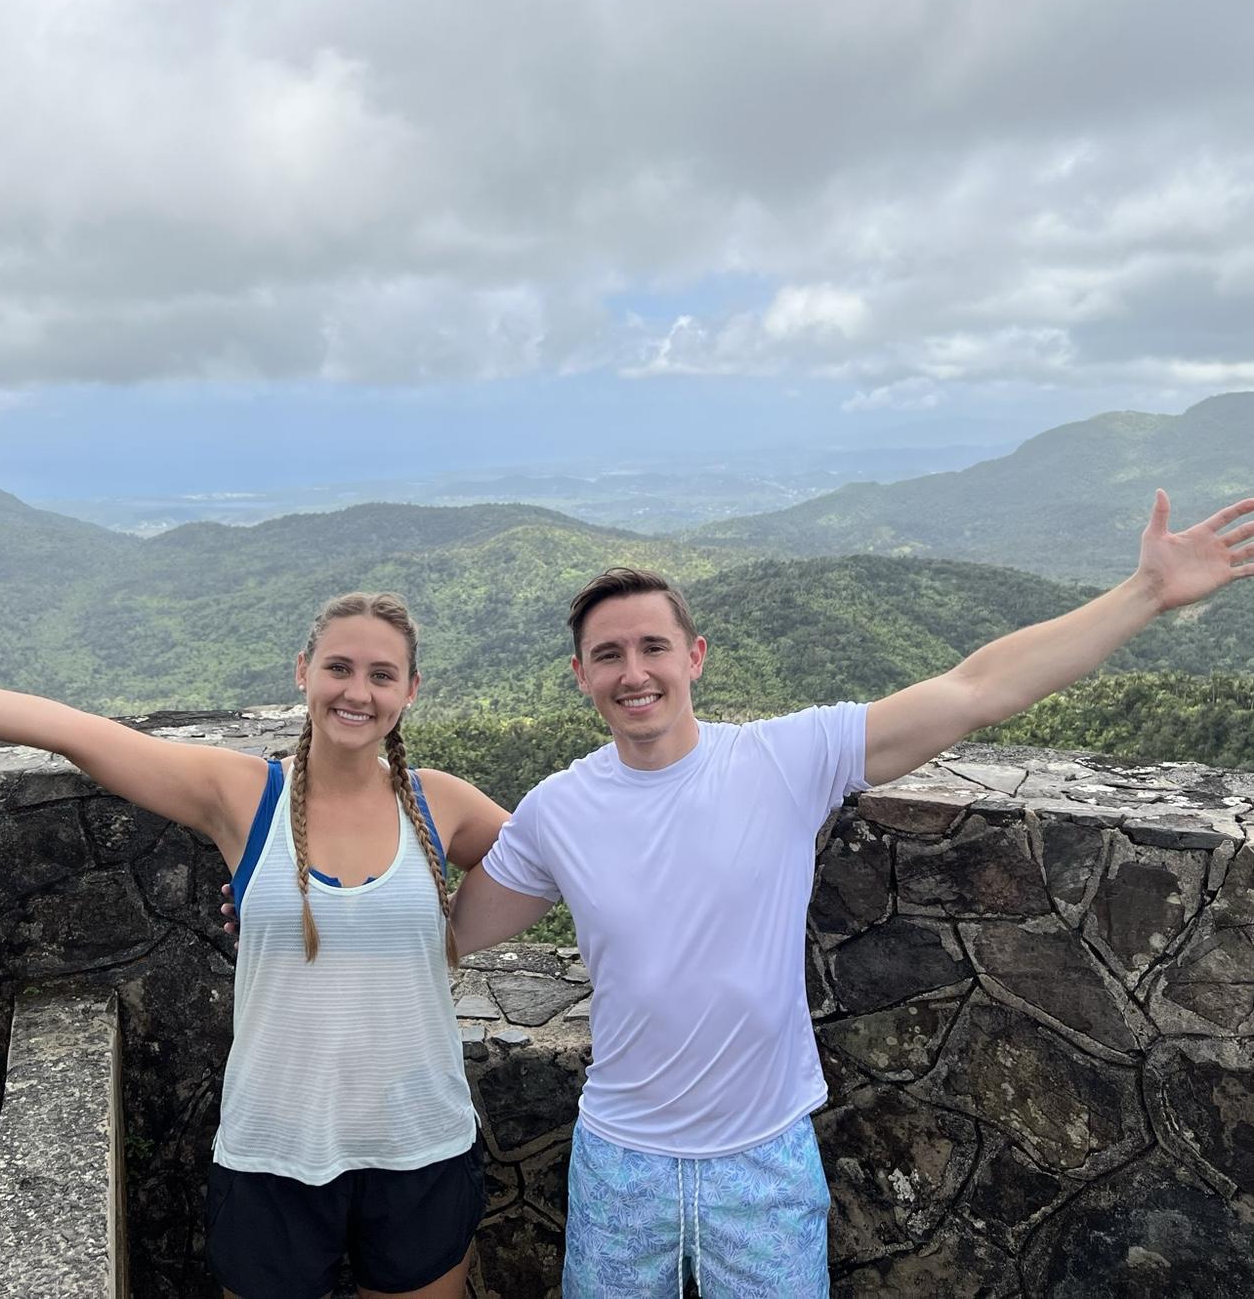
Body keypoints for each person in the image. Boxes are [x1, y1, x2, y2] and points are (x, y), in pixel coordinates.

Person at [445, 489, 1254, 1298]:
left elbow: (975, 689)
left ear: (694, 657)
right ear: (580, 674)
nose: (634, 672)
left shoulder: (782, 761)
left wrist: (1145, 593)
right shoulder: (558, 811)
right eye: (608, 655)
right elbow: (444, 935)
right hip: (621, 1163)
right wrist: (400, 795)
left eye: (653, 646)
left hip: (762, 1156)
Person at [0, 591, 509, 1299]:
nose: (357, 691)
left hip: (422, 1138)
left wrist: (445, 929)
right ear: (302, 672)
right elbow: (70, 731)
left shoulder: (437, 801)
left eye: (382, 674)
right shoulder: (244, 794)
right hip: (275, 1142)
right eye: (338, 667)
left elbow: (547, 861)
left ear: (410, 690)